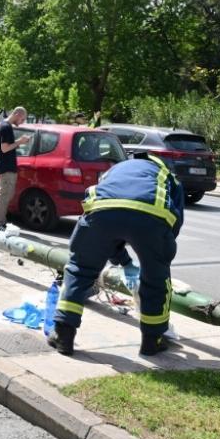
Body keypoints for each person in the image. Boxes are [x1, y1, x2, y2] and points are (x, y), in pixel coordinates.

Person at [47, 153, 184, 357]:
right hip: (152, 217)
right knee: (155, 279)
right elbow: (175, 221)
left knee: (80, 270)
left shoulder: (115, 170)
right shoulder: (167, 175)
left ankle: (63, 335)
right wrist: (158, 253)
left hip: (100, 212)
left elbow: (109, 232)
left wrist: (121, 258)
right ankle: (151, 341)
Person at [0, 106, 31, 231]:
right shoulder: (6, 127)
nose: (23, 122)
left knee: (7, 194)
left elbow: (6, 147)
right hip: (6, 167)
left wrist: (18, 142)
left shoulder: (6, 126)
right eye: (23, 119)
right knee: (4, 195)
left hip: (8, 166)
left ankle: (1, 222)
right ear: (17, 114)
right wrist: (19, 142)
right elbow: (4, 148)